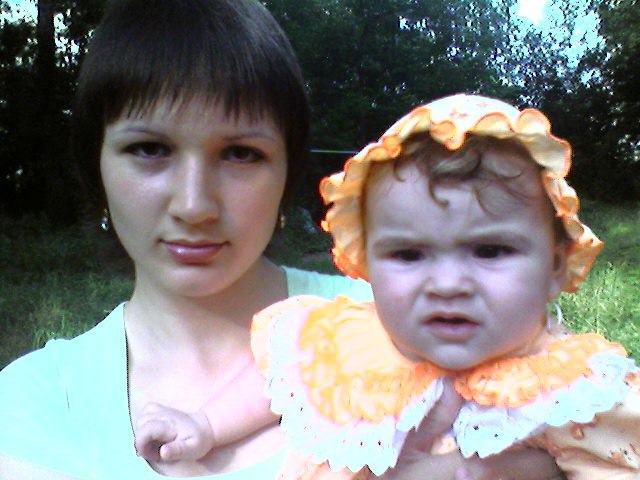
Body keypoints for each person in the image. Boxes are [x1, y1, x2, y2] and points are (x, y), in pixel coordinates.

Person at [0, 0, 565, 476]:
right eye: (149, 149)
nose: (195, 205)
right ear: (95, 164)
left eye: (240, 154)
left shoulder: (407, 322)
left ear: (288, 171)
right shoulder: (36, 403)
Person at [137, 94, 640, 479]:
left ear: (555, 267)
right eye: (409, 255)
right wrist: (205, 425)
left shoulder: (575, 390)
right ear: (368, 264)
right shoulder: (346, 341)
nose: (447, 284)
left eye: (489, 251)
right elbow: (276, 382)